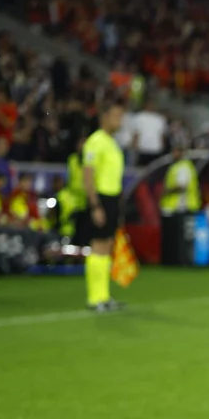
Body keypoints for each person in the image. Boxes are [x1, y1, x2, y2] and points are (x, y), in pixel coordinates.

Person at [82, 100, 126, 312]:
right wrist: (95, 205)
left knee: (107, 246)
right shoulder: (95, 142)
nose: (120, 121)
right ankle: (94, 298)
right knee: (98, 245)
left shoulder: (112, 142)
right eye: (116, 116)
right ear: (104, 117)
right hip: (101, 198)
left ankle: (104, 296)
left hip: (113, 198)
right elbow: (88, 175)